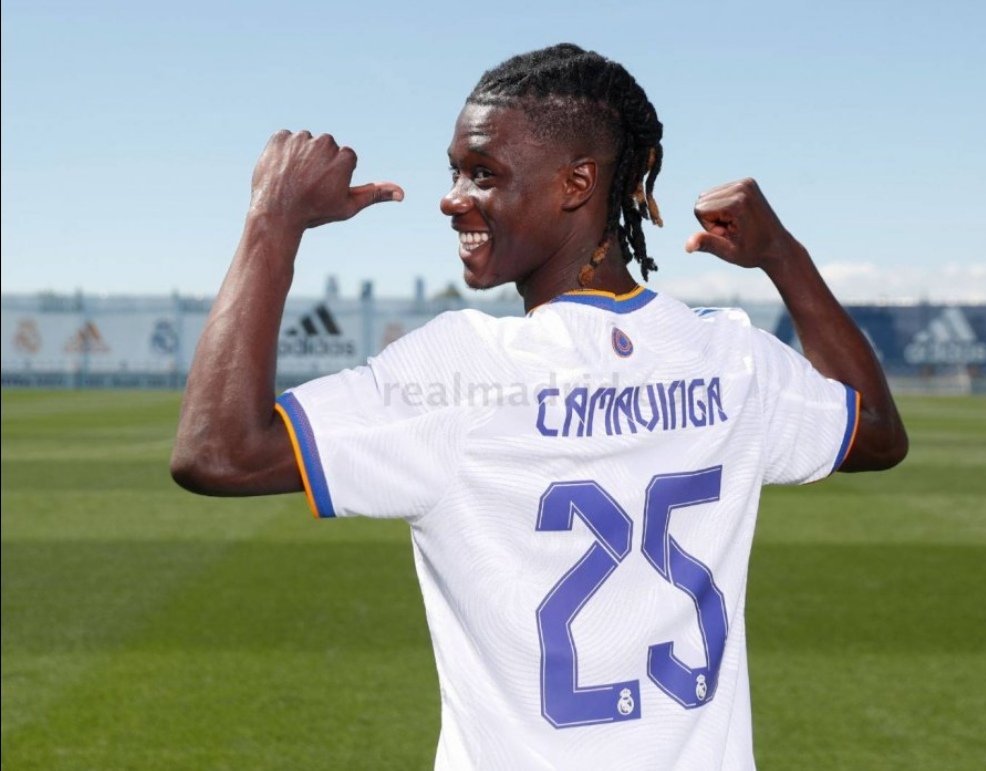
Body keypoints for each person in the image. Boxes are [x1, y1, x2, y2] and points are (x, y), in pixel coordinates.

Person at [172, 43, 906, 770]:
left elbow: (217, 453)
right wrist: (781, 253)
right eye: (455, 171)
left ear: (576, 183)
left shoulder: (463, 374)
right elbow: (876, 432)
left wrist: (273, 218)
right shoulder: (730, 357)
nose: (453, 197)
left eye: (483, 173)